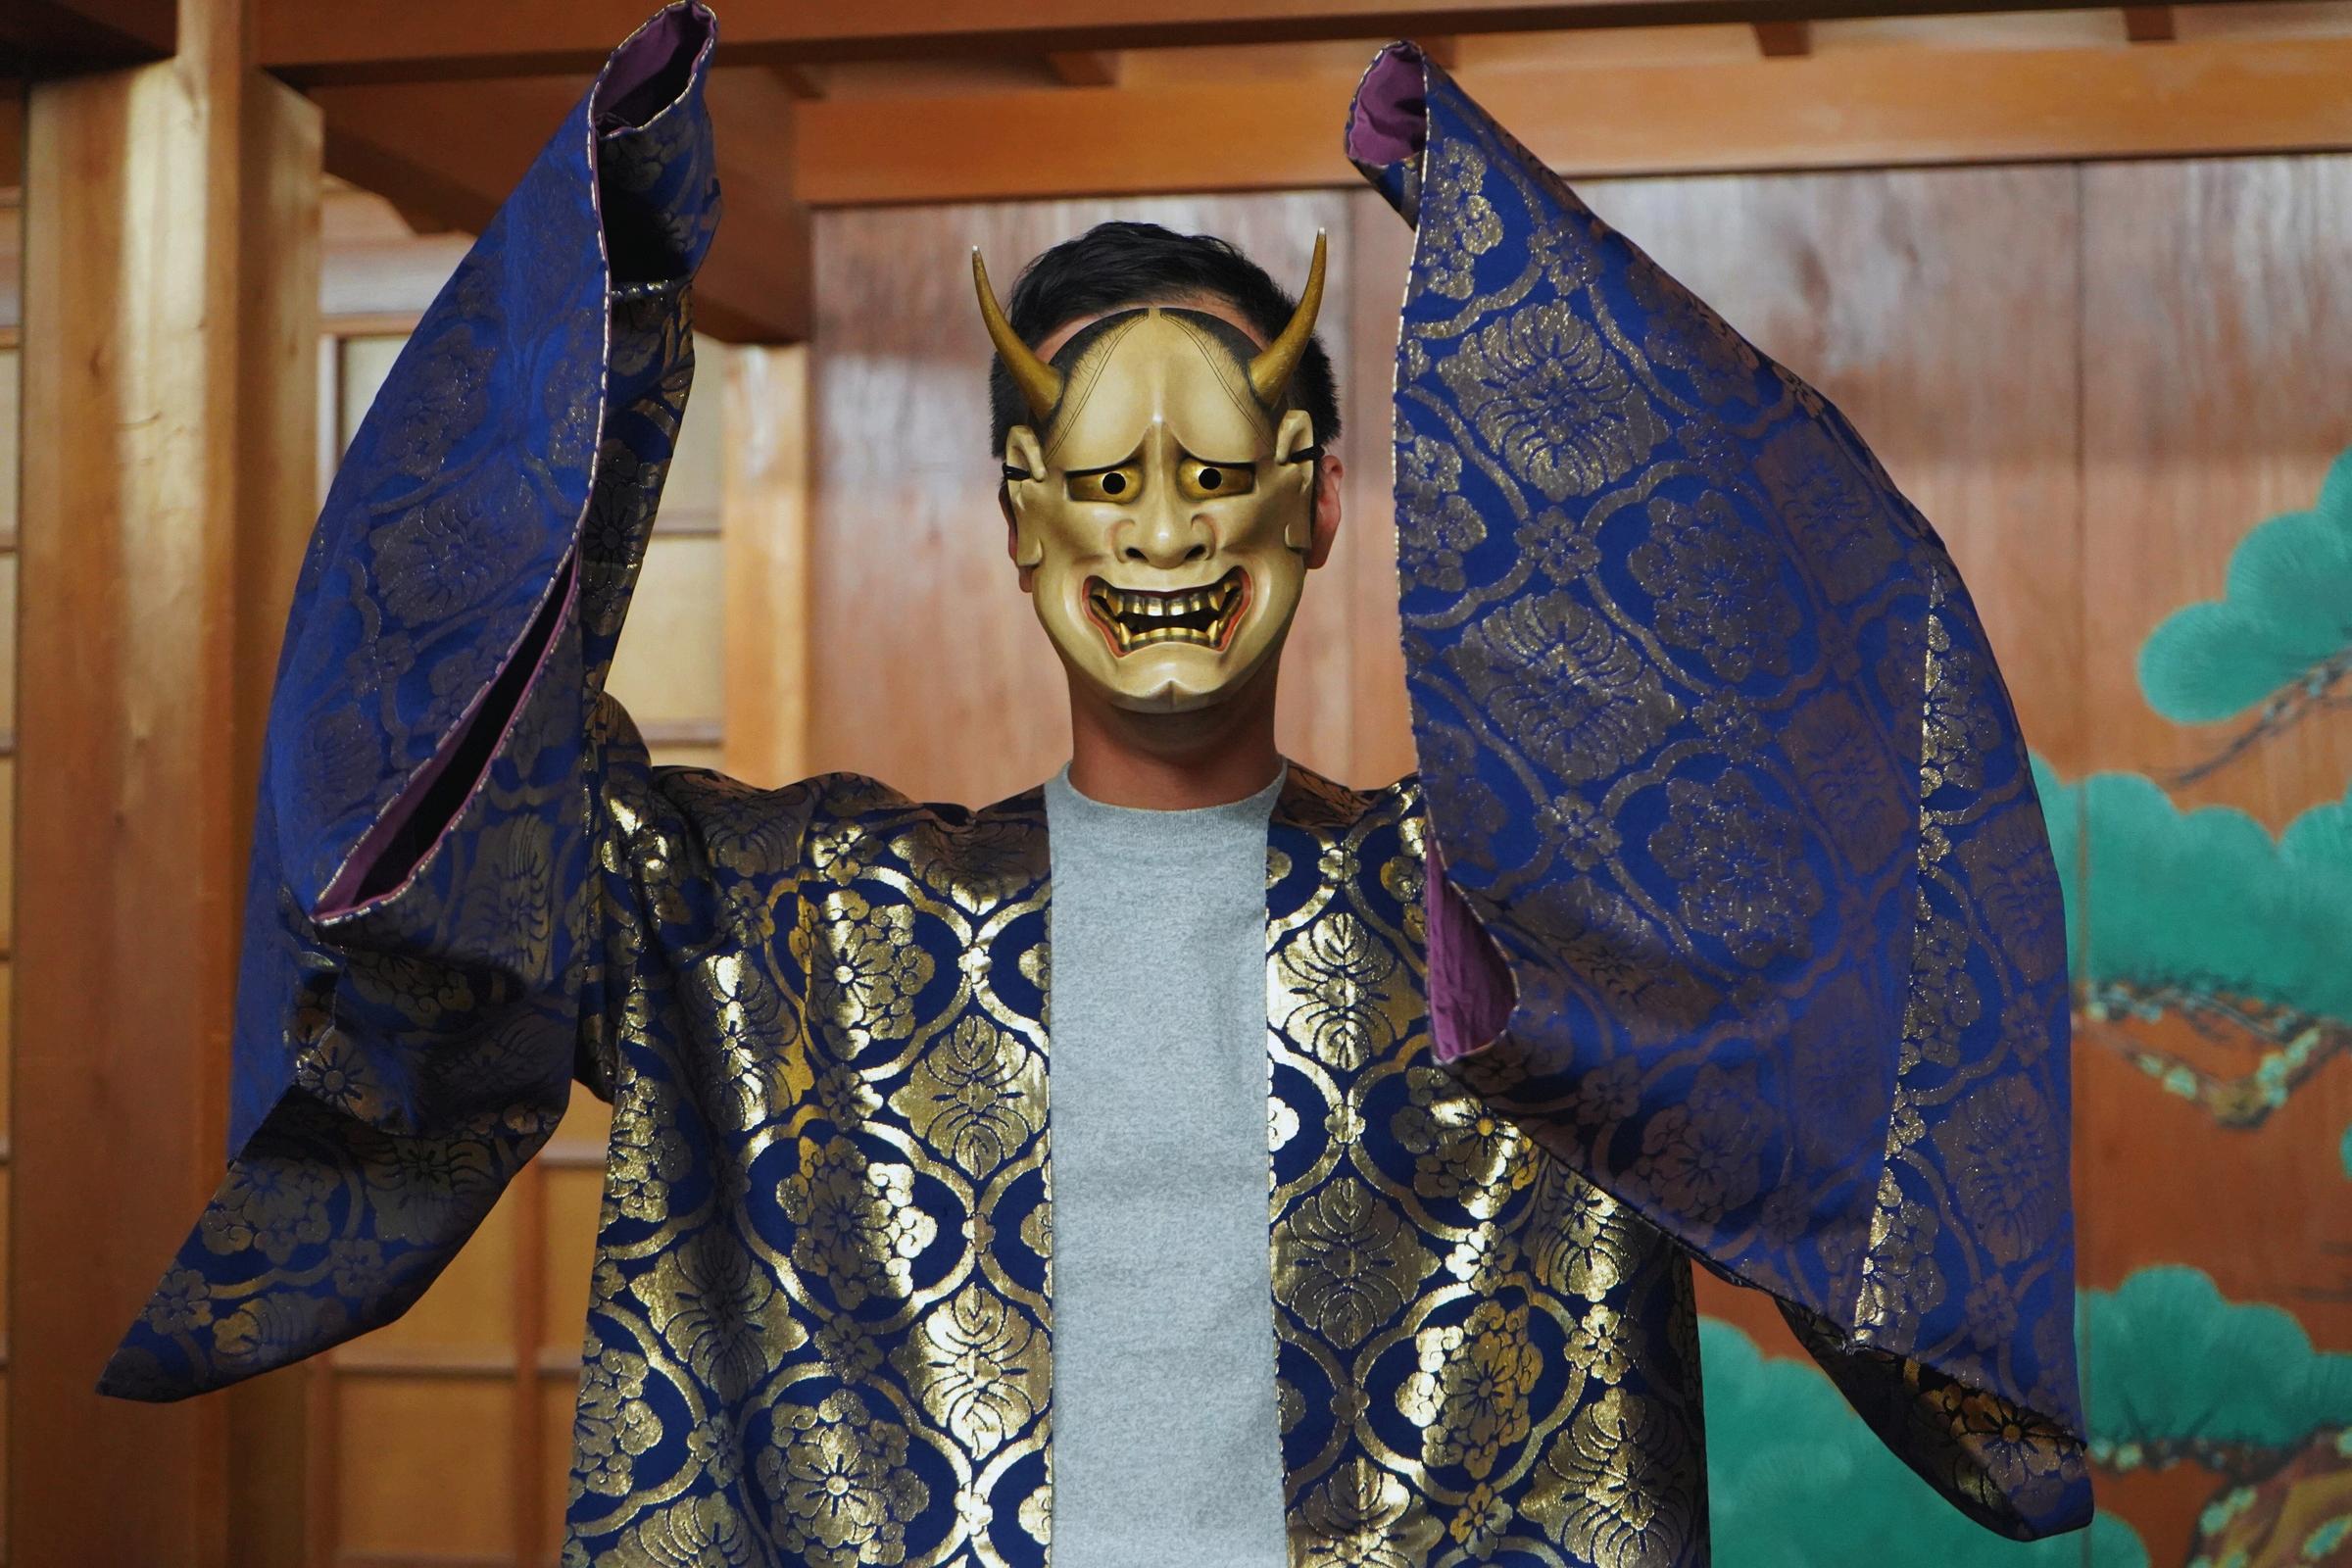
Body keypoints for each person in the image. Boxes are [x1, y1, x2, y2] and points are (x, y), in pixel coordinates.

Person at [105, 6, 2090, 1563]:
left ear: (1315, 506)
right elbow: (439, 776)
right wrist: (605, 287)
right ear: (1019, 517)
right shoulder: (799, 922)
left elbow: (1782, 755)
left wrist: (1513, 261)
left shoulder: (1498, 921)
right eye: (1104, 479)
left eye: (1219, 473)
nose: (1162, 530)